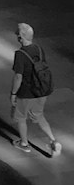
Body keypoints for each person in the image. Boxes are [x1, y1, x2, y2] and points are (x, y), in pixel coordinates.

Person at [10, 22, 61, 155]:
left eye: (17, 34)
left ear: (21, 37)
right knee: (39, 116)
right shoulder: (39, 49)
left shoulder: (20, 54)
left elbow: (18, 77)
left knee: (21, 118)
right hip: (42, 89)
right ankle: (53, 141)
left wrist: (13, 93)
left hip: (27, 92)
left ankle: (24, 143)